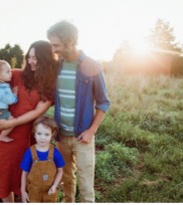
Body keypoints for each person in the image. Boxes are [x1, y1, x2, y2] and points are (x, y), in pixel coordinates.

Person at [0, 40, 59, 202]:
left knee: (26, 179)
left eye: (36, 58)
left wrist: (12, 123)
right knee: (4, 180)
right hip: (2, 132)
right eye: (29, 57)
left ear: (46, 59)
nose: (31, 61)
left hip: (24, 135)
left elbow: (37, 111)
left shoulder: (49, 85)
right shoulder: (15, 74)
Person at [47, 20, 111, 202]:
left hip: (82, 137)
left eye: (56, 45)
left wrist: (91, 131)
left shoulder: (92, 65)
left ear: (70, 42)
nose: (53, 49)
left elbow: (104, 102)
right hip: (61, 136)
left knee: (85, 184)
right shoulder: (56, 67)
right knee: (66, 180)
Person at [20, 116, 65, 203]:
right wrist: (23, 191)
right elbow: (24, 173)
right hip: (33, 190)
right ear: (34, 134)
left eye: (46, 134)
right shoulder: (30, 152)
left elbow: (60, 171)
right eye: (39, 133)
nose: (42, 137)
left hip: (49, 191)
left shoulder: (55, 152)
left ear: (52, 135)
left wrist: (54, 186)